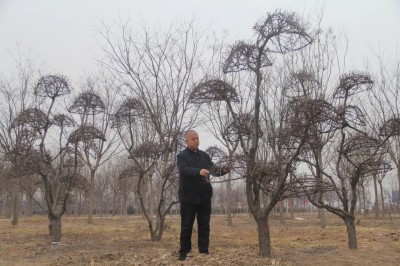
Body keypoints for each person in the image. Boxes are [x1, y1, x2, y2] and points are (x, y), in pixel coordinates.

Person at [177, 130, 230, 261]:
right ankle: (184, 252)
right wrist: (198, 171)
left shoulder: (204, 156)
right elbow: (184, 170)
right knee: (186, 226)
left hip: (204, 197)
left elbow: (213, 170)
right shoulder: (181, 156)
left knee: (204, 226)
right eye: (193, 139)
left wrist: (226, 169)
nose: (196, 140)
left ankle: (204, 251)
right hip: (188, 197)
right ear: (186, 141)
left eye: (197, 138)